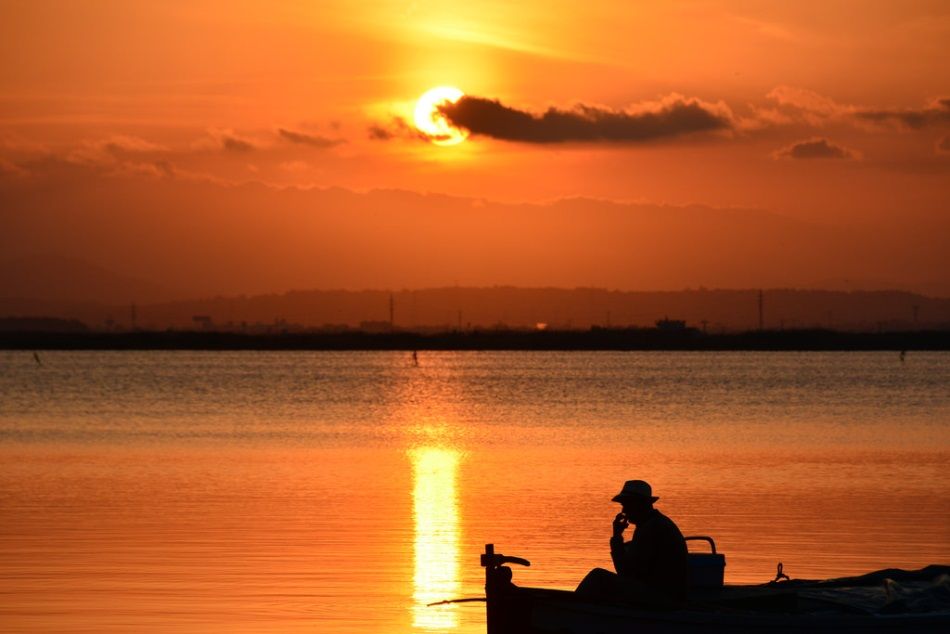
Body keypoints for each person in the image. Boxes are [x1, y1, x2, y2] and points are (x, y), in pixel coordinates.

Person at [576, 479, 688, 605]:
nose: (623, 510)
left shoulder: (650, 528)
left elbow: (626, 572)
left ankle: (573, 609)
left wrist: (617, 537)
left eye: (626, 504)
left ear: (639, 504)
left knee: (598, 577)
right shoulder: (655, 523)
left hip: (662, 597)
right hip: (666, 593)